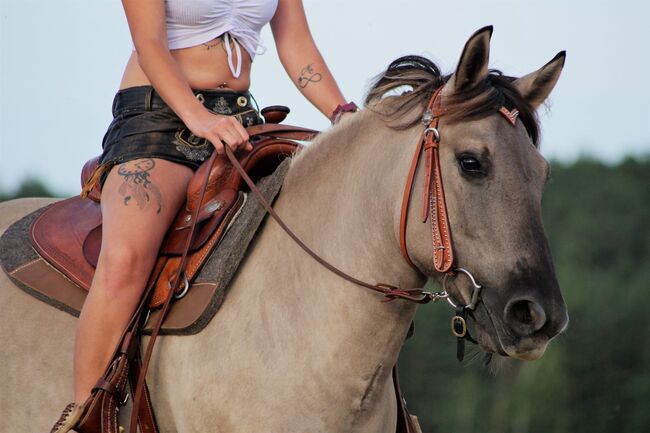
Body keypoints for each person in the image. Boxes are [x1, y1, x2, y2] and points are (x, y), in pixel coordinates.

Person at [50, 0, 357, 431]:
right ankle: (87, 419)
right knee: (124, 263)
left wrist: (344, 115)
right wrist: (198, 118)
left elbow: (296, 43)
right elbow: (150, 44)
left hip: (237, 122)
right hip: (158, 117)